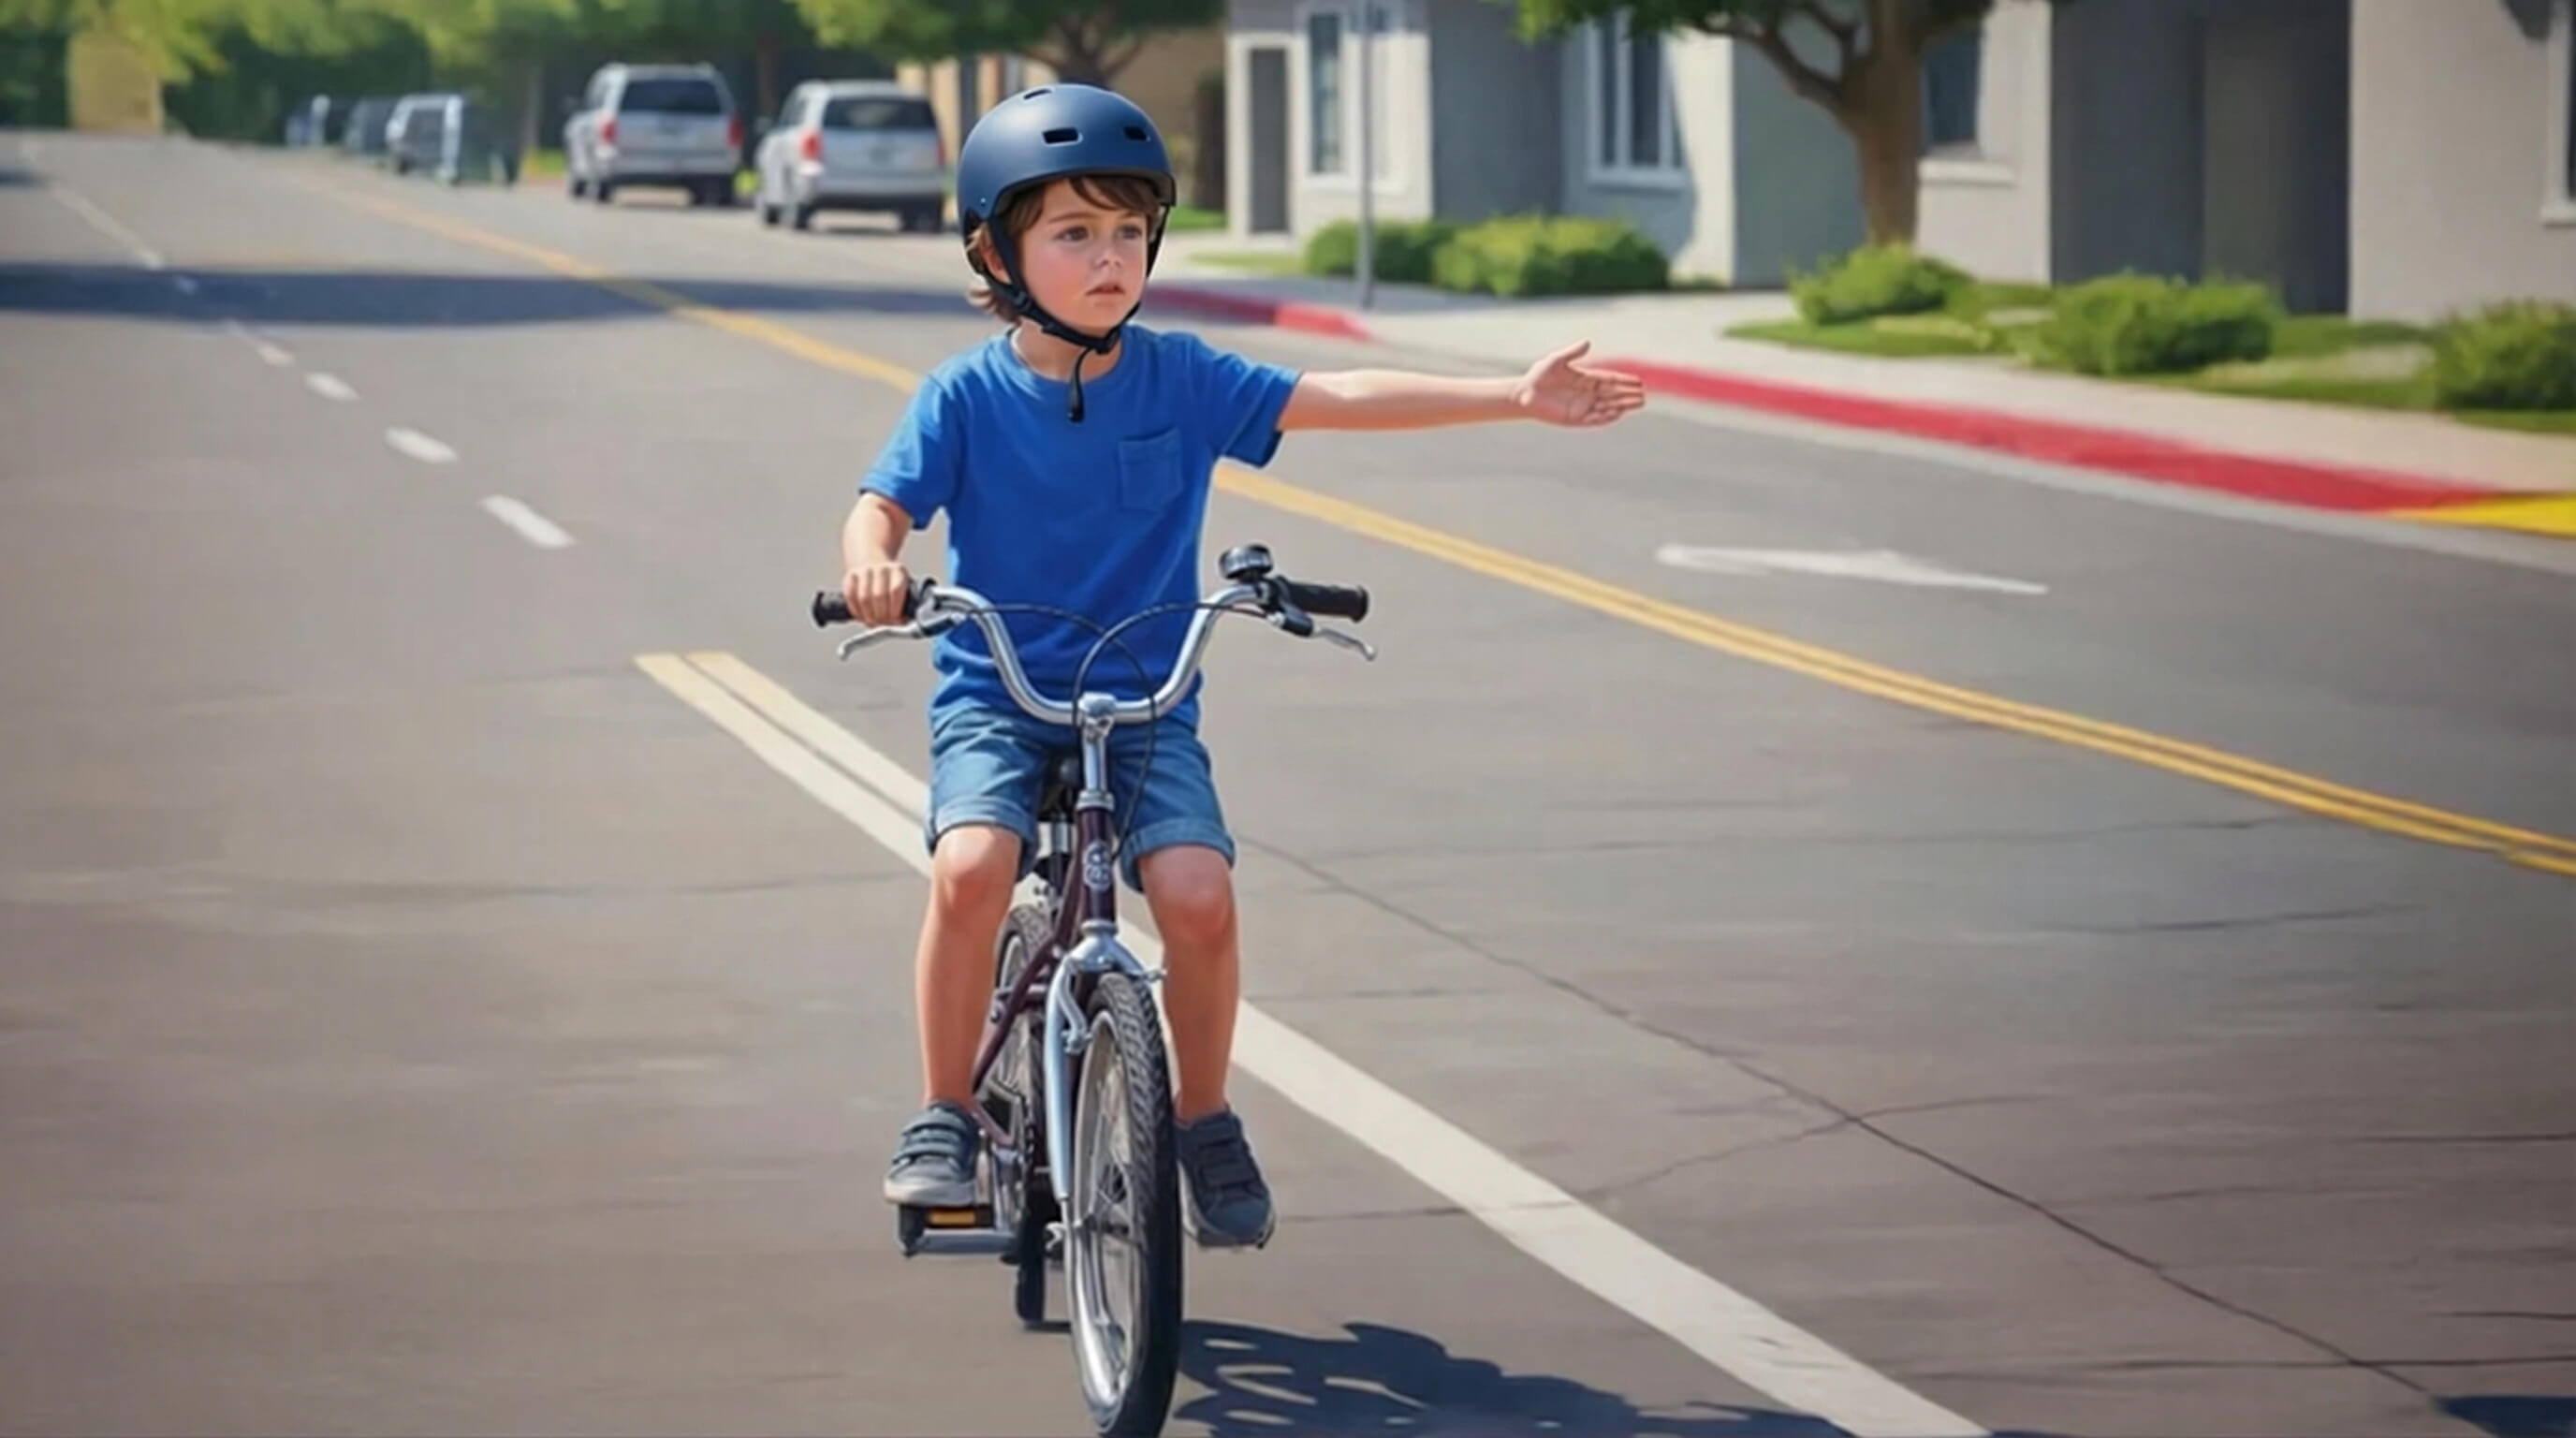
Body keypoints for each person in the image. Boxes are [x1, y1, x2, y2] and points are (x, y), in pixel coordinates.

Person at [840, 82, 1645, 1252]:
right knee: (971, 869)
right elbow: (879, 508)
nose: (1110, 258)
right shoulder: (962, 396)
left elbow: (1339, 396)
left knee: (1200, 902)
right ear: (994, 249)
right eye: (1073, 233)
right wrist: (872, 564)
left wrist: (1511, 396)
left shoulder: (1182, 379)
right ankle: (944, 1112)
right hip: (1001, 699)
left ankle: (1203, 1118)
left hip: (1146, 702)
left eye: (1129, 232)